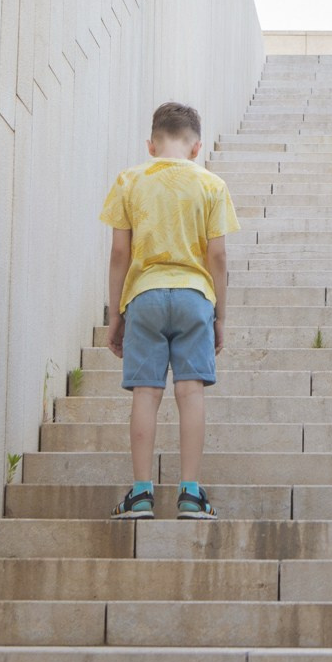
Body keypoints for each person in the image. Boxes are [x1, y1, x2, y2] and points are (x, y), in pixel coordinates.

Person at [99, 101, 238, 520]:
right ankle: (190, 494)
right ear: (196, 148)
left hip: (144, 296)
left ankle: (141, 494)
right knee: (190, 392)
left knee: (146, 393)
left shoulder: (129, 180)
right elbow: (218, 257)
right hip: (195, 295)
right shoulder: (212, 186)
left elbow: (119, 251)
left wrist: (116, 313)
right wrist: (220, 315)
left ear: (151, 145)